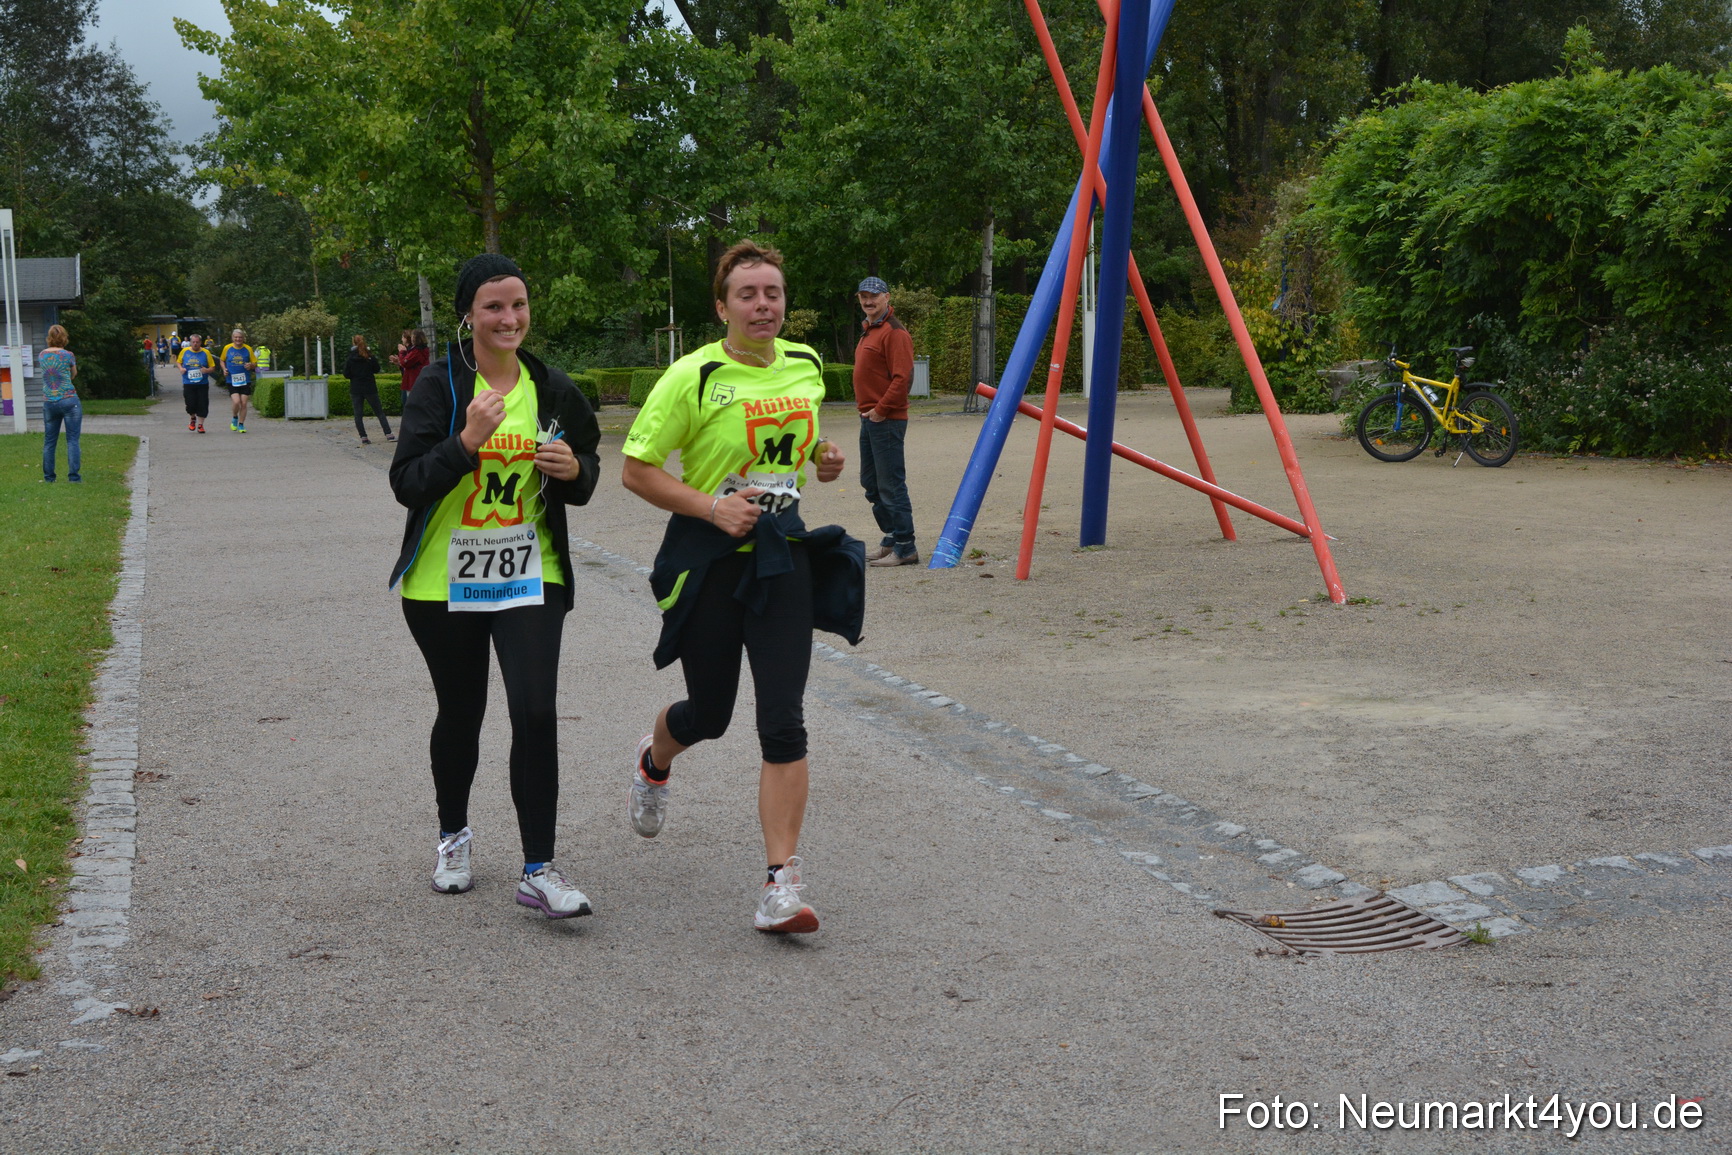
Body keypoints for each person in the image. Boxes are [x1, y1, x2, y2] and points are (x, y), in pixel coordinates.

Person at [622, 239, 864, 935]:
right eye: (749, 295)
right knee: (712, 712)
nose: (764, 305)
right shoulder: (692, 376)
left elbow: (799, 441)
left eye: (774, 294)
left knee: (783, 718)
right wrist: (710, 505)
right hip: (710, 555)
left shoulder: (808, 364)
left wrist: (823, 456)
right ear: (722, 305)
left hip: (781, 552)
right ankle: (654, 756)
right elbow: (638, 469)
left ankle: (780, 882)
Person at [388, 253, 601, 919]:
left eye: (518, 304)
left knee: (535, 709)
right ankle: (454, 835)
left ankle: (540, 867)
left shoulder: (551, 386)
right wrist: (466, 442)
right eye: (493, 306)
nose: (509, 318)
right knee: (463, 712)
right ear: (469, 315)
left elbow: (588, 469)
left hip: (530, 574)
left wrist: (573, 470)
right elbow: (407, 483)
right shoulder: (439, 387)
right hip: (442, 583)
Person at [852, 276, 919, 566]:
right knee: (871, 483)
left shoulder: (894, 332)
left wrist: (881, 410)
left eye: (873, 296)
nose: (868, 301)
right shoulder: (871, 330)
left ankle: (906, 548)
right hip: (870, 418)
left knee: (891, 485)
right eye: (863, 296)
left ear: (887, 297)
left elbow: (903, 378)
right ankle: (892, 538)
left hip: (886, 419)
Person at [40, 325, 80, 483]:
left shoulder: (42, 355)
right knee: (72, 440)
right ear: (64, 337)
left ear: (49, 337)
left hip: (49, 401)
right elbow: (73, 373)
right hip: (69, 400)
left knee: (49, 441)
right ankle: (74, 477)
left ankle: (49, 477)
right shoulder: (68, 355)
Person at [344, 335, 392, 445]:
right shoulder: (369, 356)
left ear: (353, 343)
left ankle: (363, 436)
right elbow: (377, 369)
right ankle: (388, 433)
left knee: (358, 414)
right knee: (379, 412)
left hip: (356, 388)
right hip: (370, 387)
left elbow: (346, 374)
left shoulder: (351, 358)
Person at [220, 328, 258, 433]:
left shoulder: (248, 349)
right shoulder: (227, 348)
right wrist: (224, 369)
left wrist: (251, 365)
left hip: (245, 379)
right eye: (236, 337)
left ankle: (241, 424)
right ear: (232, 338)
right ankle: (234, 417)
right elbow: (222, 360)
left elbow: (255, 363)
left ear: (243, 338)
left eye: (240, 337)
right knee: (236, 401)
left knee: (244, 403)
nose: (238, 339)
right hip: (231, 379)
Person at [179, 334, 215, 433]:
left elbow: (213, 367)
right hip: (188, 382)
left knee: (202, 403)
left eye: (197, 342)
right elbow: (178, 362)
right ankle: (192, 418)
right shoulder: (184, 351)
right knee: (190, 404)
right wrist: (181, 368)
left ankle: (200, 425)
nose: (195, 344)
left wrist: (207, 370)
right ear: (190, 342)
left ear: (200, 342)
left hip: (202, 383)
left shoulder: (206, 352)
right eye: (193, 342)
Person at [392, 328, 430, 394]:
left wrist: (402, 352)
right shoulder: (421, 350)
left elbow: (405, 363)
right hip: (417, 380)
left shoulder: (416, 352)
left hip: (414, 382)